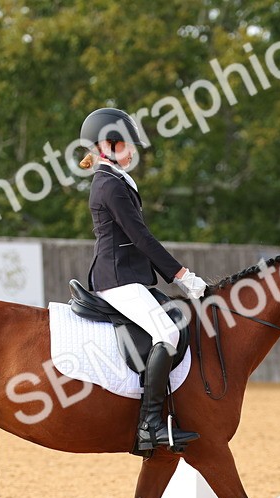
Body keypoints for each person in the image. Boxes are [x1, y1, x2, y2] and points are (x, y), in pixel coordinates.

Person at [79, 107, 209, 455]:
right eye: (126, 145)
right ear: (107, 145)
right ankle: (149, 425)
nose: (132, 152)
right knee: (166, 333)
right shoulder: (109, 185)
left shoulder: (117, 179)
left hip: (128, 276)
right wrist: (182, 276)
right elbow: (140, 238)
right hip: (118, 279)